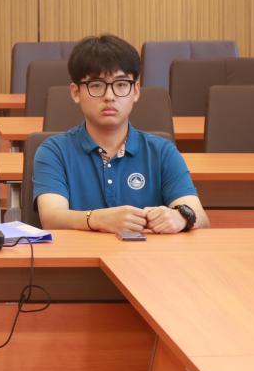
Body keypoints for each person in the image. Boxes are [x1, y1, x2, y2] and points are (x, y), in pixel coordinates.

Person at [33, 34, 209, 234]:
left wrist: (181, 217)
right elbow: (51, 217)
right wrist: (97, 219)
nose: (109, 96)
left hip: (147, 254)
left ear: (136, 91)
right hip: (78, 253)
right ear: (75, 92)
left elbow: (200, 216)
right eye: (96, 85)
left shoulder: (162, 151)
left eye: (121, 84)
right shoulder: (54, 151)